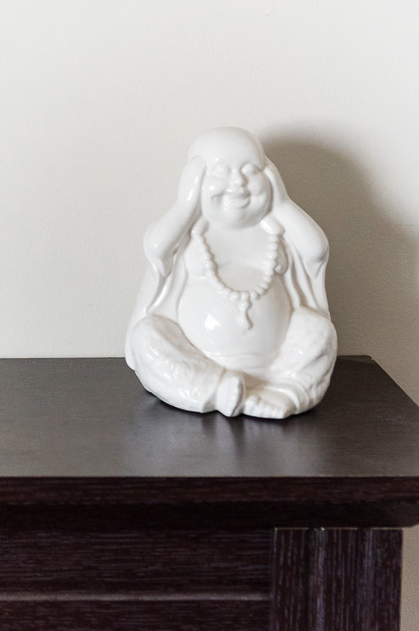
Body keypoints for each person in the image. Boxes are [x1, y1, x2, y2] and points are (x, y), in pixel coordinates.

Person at [124, 128, 336, 419]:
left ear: (270, 177)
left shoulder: (274, 229)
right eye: (220, 172)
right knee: (146, 336)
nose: (238, 183)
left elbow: (317, 250)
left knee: (319, 329)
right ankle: (217, 389)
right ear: (195, 180)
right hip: (201, 362)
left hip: (276, 363)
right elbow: (156, 248)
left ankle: (286, 390)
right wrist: (185, 205)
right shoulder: (187, 233)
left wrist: (283, 204)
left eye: (251, 171)